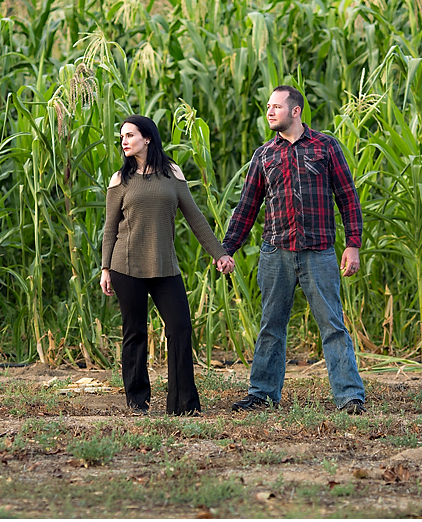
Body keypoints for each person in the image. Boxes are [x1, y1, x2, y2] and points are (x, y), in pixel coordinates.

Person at [222, 85, 367, 415]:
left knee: (333, 325)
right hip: (276, 253)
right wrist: (227, 248)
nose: (270, 111)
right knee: (270, 326)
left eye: (276, 106)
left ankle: (349, 397)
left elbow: (347, 198)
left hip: (319, 252)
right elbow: (247, 207)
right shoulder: (264, 155)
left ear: (296, 111)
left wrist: (353, 245)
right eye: (268, 107)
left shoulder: (325, 147)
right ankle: (262, 394)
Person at [100, 114, 235, 416]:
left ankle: (184, 405)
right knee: (134, 332)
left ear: (147, 138)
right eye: (121, 136)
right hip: (127, 265)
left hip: (165, 266)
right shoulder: (120, 180)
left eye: (130, 135)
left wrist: (220, 253)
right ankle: (138, 402)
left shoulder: (172, 173)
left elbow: (195, 217)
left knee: (180, 328)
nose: (124, 141)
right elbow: (110, 228)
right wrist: (105, 268)